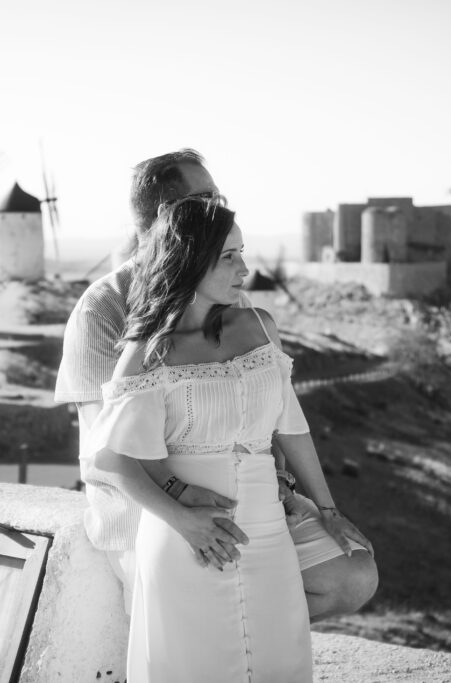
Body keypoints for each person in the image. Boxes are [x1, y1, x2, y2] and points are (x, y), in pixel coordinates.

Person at [54, 149, 377, 619]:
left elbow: (271, 413)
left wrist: (284, 486)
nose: (222, 208)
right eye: (208, 197)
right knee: (213, 601)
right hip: (150, 512)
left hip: (248, 498)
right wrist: (184, 505)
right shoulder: (102, 308)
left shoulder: (228, 297)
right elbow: (105, 447)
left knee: (350, 578)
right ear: (171, 217)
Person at [92, 197, 326, 680]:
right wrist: (183, 517)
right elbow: (110, 460)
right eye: (228, 256)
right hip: (186, 542)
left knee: (280, 660)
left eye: (242, 252)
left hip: (267, 533)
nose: (244, 267)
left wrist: (330, 511)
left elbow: (294, 427)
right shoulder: (148, 351)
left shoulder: (260, 327)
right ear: (190, 261)